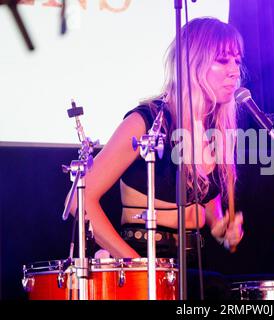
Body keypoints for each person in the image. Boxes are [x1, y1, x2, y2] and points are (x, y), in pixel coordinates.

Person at [66, 17, 245, 298]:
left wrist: (220, 224)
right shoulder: (146, 121)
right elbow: (79, 201)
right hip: (141, 259)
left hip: (191, 265)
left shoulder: (216, 129)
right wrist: (136, 266)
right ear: (192, 63)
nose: (235, 71)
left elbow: (205, 199)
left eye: (237, 61)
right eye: (223, 60)